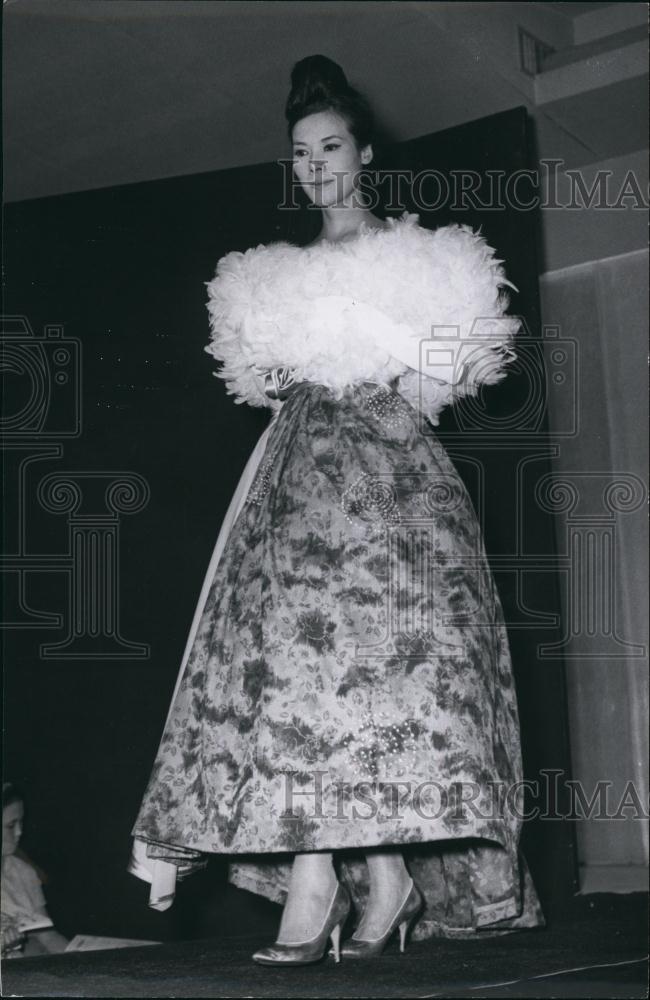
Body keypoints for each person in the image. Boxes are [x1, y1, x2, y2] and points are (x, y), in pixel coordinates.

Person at [129, 54, 545, 965]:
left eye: (329, 146)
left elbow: (457, 374)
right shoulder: (264, 276)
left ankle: (369, 876)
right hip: (294, 478)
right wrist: (292, 358)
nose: (314, 165)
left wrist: (398, 333)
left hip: (390, 471)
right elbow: (261, 381)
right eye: (299, 152)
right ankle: (340, 874)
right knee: (297, 678)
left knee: (386, 674)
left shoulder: (421, 256)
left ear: (362, 154)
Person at [1, 783, 68, 957]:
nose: (19, 832)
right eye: (10, 825)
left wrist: (82, 961)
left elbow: (48, 936)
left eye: (21, 822)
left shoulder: (25, 872)